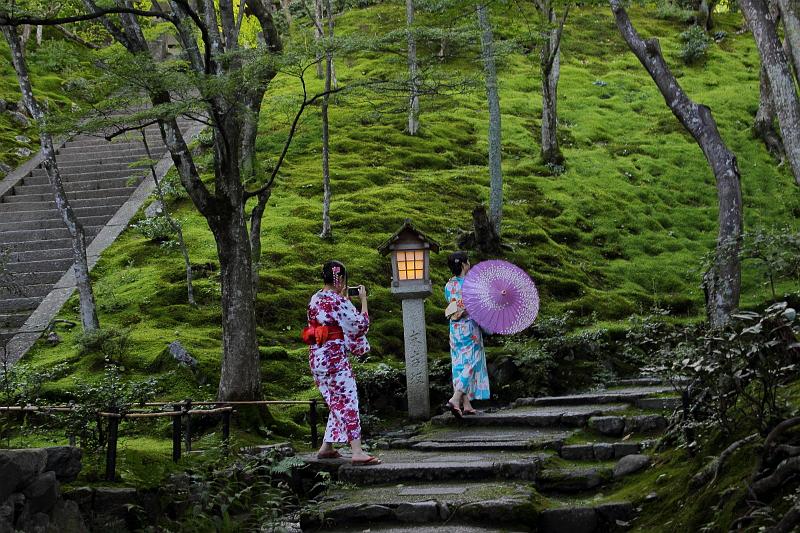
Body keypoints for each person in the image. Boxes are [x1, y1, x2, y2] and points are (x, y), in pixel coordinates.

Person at [304, 260, 381, 465]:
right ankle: (357, 450)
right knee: (348, 399)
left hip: (317, 355)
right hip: (334, 358)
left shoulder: (315, 298)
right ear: (341, 279)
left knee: (335, 400)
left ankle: (326, 447)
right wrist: (363, 301)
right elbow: (359, 326)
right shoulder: (338, 301)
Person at [443, 251, 490, 418]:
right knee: (472, 362)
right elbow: (478, 309)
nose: (469, 264)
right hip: (470, 329)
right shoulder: (471, 284)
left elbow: (451, 306)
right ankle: (455, 399)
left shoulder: (449, 285)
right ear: (463, 264)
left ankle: (466, 404)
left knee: (459, 364)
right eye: (468, 261)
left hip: (455, 330)